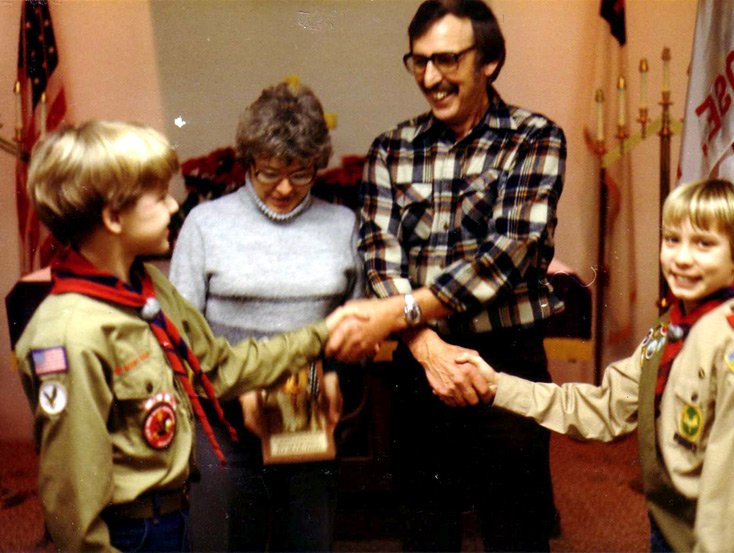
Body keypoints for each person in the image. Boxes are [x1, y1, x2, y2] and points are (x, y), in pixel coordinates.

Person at [14, 120, 366, 553]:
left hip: (172, 519)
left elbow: (219, 367)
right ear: (113, 217)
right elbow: (72, 499)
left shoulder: (149, 288)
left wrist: (325, 332)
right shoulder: (70, 333)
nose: (173, 207)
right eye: (160, 196)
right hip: (128, 535)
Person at [328, 1, 567, 550]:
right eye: (419, 61)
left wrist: (397, 314)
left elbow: (506, 256)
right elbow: (378, 256)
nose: (430, 77)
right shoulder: (390, 150)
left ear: (490, 61)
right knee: (423, 531)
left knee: (517, 534)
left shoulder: (535, 138)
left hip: (508, 364)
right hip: (419, 366)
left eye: (447, 60)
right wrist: (427, 347)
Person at [459, 179, 734, 553]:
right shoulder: (672, 327)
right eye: (673, 240)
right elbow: (606, 408)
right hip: (670, 526)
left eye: (704, 244)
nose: (682, 258)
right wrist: (497, 386)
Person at [170, 82, 363, 552]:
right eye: (270, 173)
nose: (284, 188)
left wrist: (335, 379)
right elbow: (179, 334)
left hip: (307, 404)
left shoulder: (342, 225)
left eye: (301, 174)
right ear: (248, 162)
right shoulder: (206, 224)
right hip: (222, 408)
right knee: (225, 537)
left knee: (308, 539)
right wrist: (241, 389)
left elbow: (355, 323)